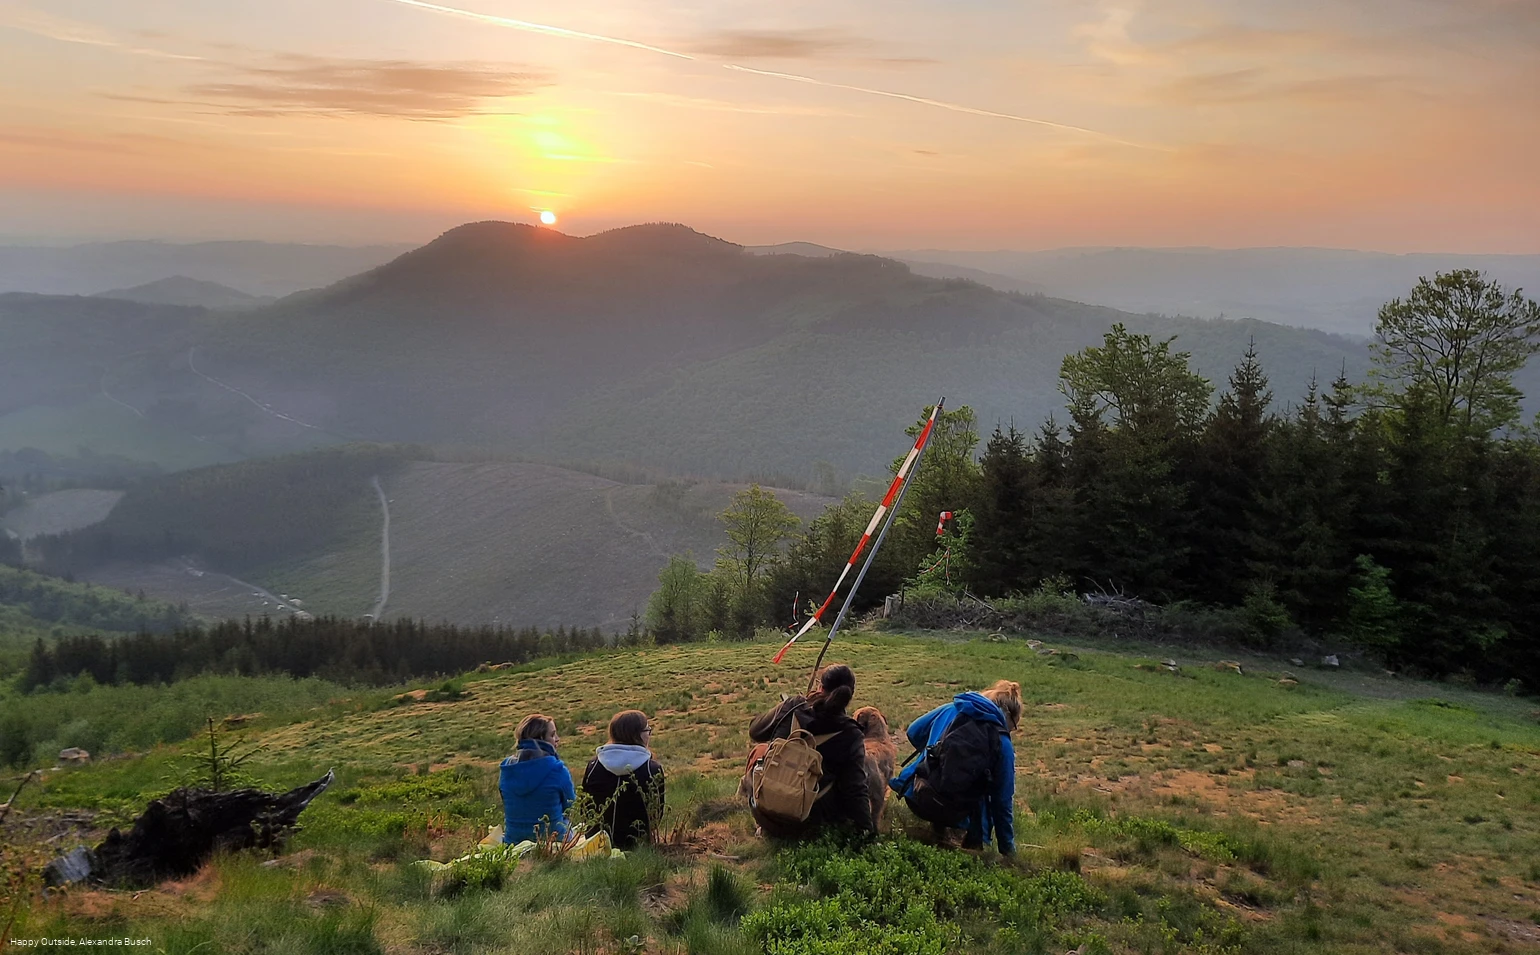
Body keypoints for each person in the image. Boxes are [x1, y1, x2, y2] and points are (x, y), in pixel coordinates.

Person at [889, 680, 1021, 856]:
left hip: (920, 796)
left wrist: (935, 751)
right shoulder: (1002, 743)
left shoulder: (953, 709)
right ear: (1009, 716)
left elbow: (914, 731)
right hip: (961, 818)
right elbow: (1002, 802)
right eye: (1014, 726)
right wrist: (1008, 851)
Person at [746, 664, 874, 839]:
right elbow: (855, 790)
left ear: (820, 686)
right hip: (807, 826)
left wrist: (786, 707)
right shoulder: (851, 734)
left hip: (763, 811)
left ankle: (764, 826)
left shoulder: (793, 705)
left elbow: (755, 731)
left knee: (760, 750)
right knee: (847, 779)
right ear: (849, 696)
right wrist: (868, 834)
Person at [581, 709, 665, 850]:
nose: (649, 735)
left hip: (596, 844)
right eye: (647, 730)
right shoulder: (652, 769)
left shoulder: (593, 766)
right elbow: (656, 816)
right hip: (638, 846)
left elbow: (585, 810)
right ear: (638, 734)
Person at [500, 714, 576, 843]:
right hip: (553, 839)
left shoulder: (507, 767)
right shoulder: (557, 769)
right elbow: (570, 806)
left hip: (513, 840)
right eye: (552, 735)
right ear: (541, 739)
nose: (557, 739)